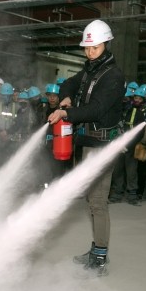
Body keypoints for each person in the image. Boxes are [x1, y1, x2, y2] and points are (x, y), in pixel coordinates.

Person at [47, 19, 125, 277]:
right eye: (87, 48)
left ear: (106, 44)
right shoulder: (90, 70)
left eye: (95, 48)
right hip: (88, 142)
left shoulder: (113, 76)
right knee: (91, 200)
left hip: (102, 146)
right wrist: (66, 96)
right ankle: (96, 249)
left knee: (99, 202)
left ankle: (100, 258)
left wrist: (66, 115)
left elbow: (97, 109)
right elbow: (69, 83)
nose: (90, 52)